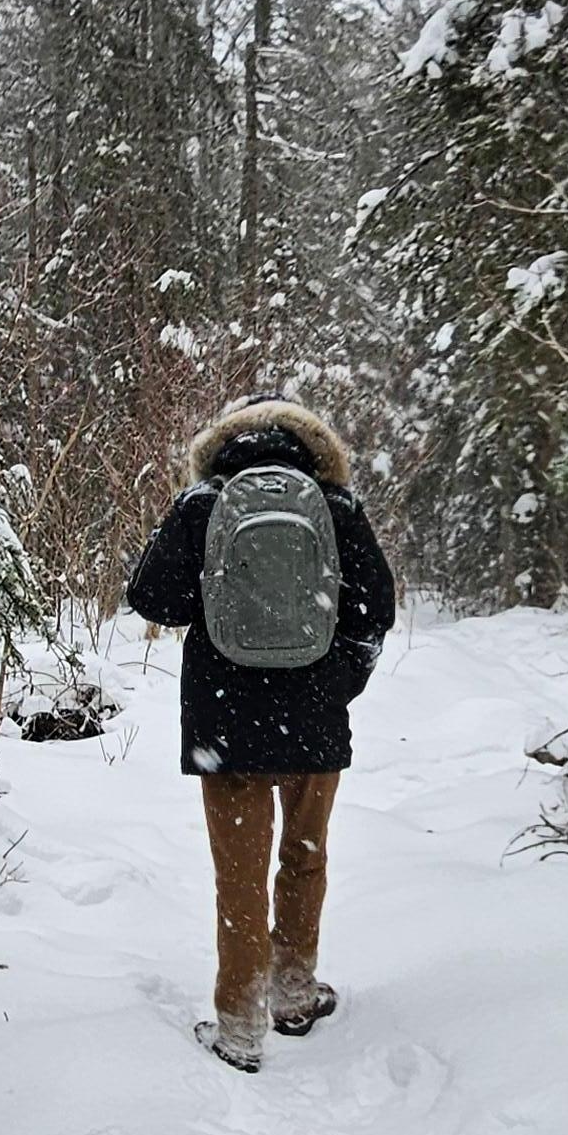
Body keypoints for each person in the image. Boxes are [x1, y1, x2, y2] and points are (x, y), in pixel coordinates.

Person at [124, 400, 398, 1071]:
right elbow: (377, 608)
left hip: (227, 719)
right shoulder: (337, 505)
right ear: (314, 446)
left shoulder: (202, 503)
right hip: (313, 717)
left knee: (239, 875)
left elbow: (152, 600)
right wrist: (337, 685)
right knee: (304, 856)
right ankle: (295, 995)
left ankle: (240, 1023)